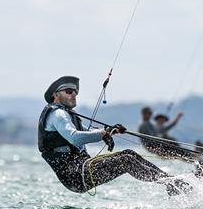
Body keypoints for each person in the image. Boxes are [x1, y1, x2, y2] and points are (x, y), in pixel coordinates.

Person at [38, 76, 187, 194]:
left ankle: (170, 181)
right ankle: (170, 183)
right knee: (126, 160)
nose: (74, 95)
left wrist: (109, 131)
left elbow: (87, 131)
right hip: (75, 175)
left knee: (129, 154)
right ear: (55, 95)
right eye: (69, 91)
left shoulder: (69, 115)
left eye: (75, 92)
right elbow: (75, 137)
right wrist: (103, 133)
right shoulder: (58, 114)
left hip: (82, 168)